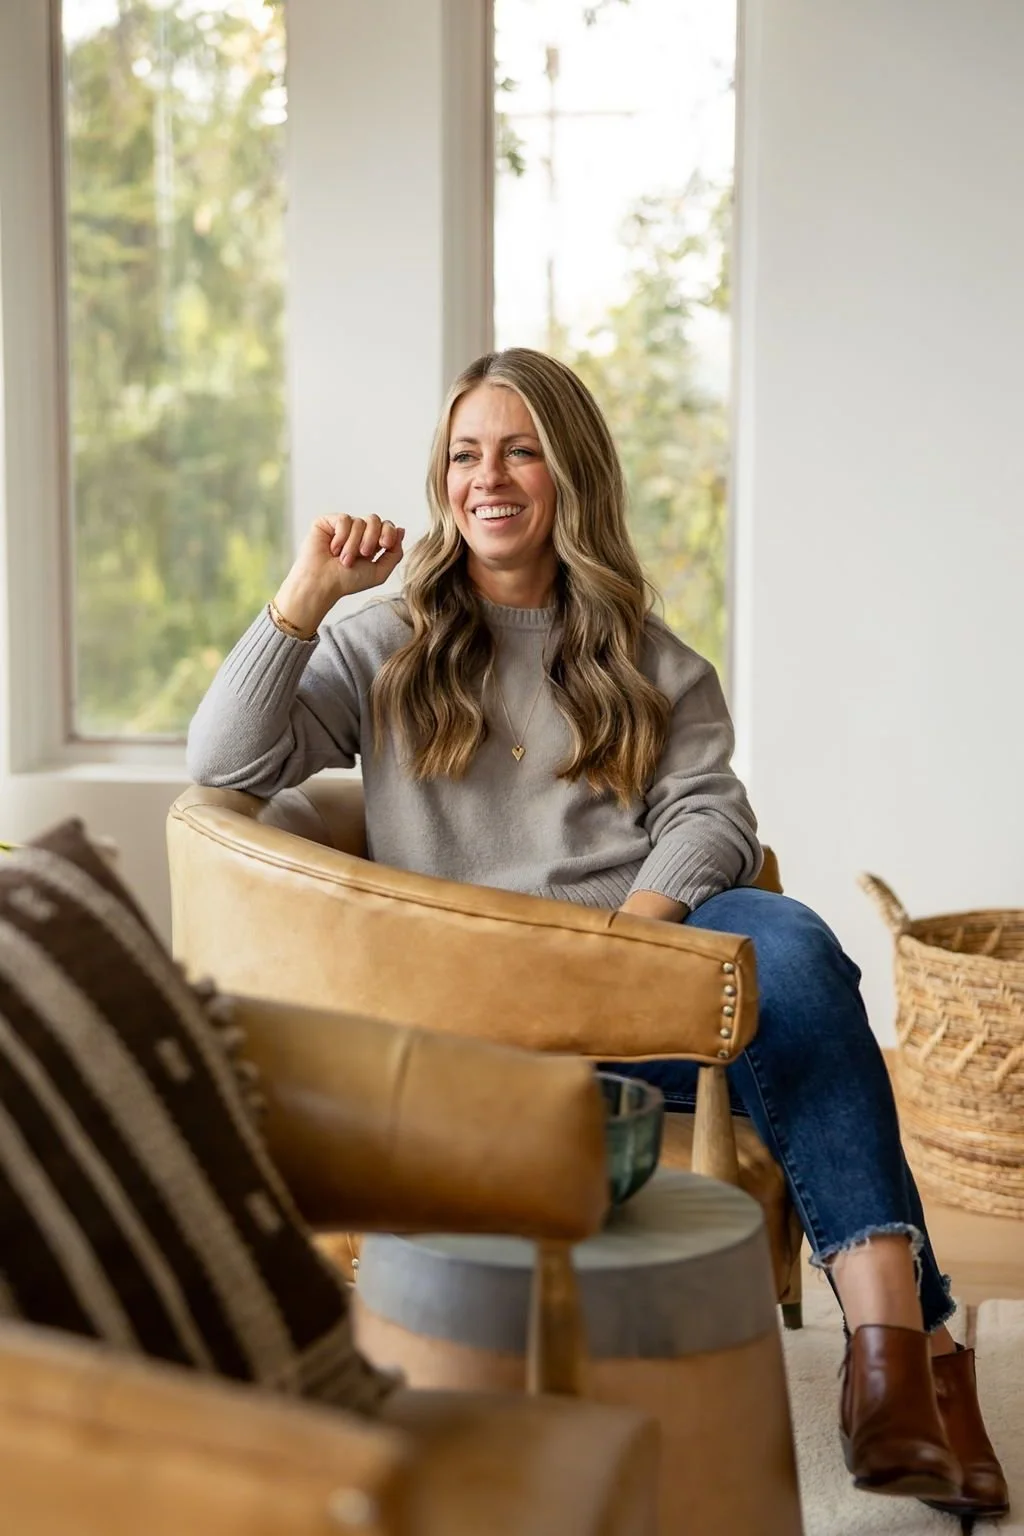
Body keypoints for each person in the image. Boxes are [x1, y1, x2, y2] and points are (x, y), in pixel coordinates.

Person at [188, 347, 1006, 1517]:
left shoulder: (648, 657)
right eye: (466, 454)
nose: (490, 476)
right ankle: (923, 1360)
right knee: (787, 983)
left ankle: (879, 1358)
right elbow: (223, 764)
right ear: (442, 479)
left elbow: (713, 813)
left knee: (788, 944)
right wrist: (301, 598)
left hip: (647, 991)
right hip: (484, 1015)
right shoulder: (383, 644)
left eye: (519, 449)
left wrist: (632, 933)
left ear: (570, 474)